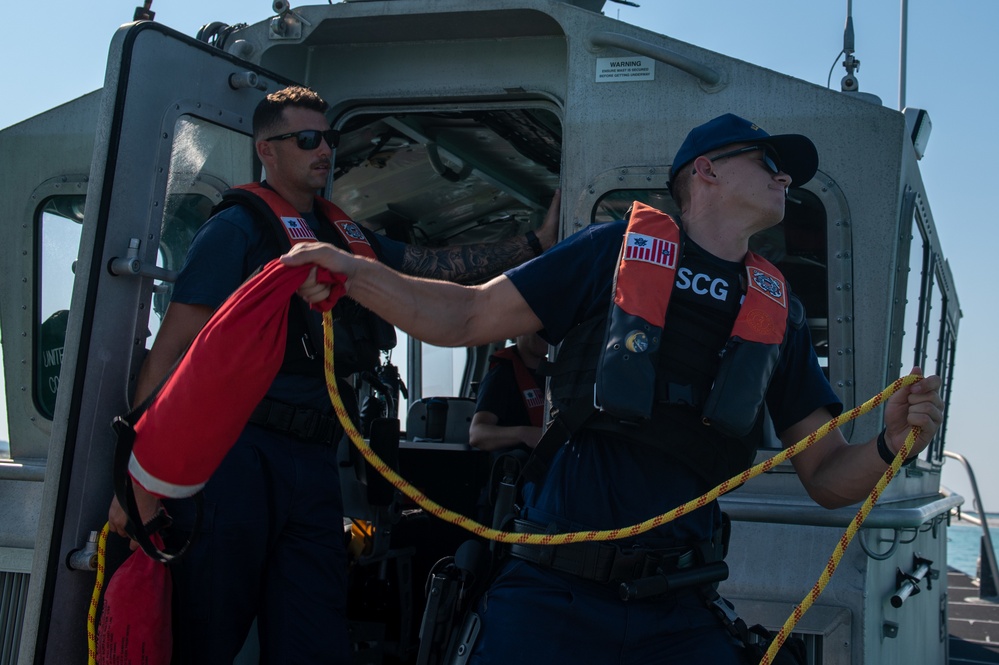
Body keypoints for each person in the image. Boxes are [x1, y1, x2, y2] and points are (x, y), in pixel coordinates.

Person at [283, 113, 944, 664]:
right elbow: (466, 315)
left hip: (680, 607)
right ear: (705, 170)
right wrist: (355, 271)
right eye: (767, 160)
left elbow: (826, 475)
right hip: (552, 597)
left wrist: (888, 443)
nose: (783, 175)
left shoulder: (781, 313)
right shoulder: (609, 252)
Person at [107, 85, 559, 664]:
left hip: (314, 461)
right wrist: (136, 485)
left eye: (328, 138)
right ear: (266, 151)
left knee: (314, 640)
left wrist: (535, 245)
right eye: (305, 139)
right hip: (238, 462)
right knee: (207, 635)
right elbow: (169, 353)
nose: (323, 150)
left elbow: (431, 267)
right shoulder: (236, 231)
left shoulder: (344, 235)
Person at [469, 333, 549, 452]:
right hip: (520, 466)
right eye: (538, 329)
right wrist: (524, 434)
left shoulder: (554, 376)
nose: (545, 334)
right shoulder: (501, 375)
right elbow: (477, 434)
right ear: (519, 331)